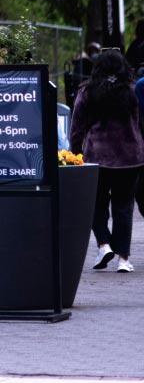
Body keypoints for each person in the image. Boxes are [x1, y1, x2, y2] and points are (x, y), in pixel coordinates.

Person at [70, 48, 144, 272]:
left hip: (97, 158)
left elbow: (77, 127)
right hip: (130, 158)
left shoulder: (87, 91)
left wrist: (75, 154)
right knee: (124, 207)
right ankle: (123, 259)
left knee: (96, 204)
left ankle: (103, 244)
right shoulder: (133, 92)